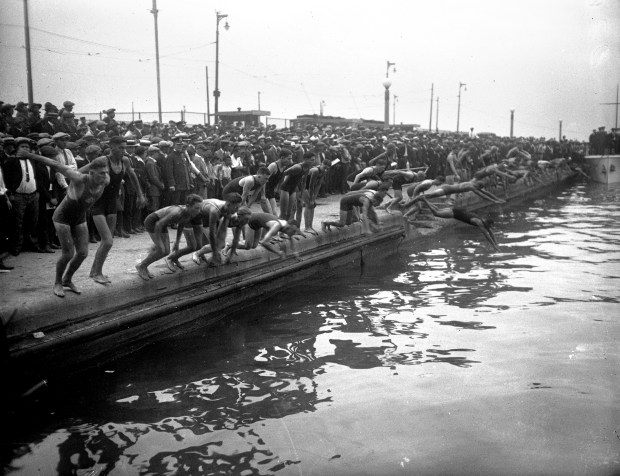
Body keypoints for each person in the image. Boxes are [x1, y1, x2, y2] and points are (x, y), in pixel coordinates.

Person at [15, 147, 110, 296]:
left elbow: (95, 169)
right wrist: (29, 154)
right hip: (63, 217)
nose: (105, 176)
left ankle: (67, 279)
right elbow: (56, 164)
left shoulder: (105, 180)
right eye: (101, 173)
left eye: (106, 172)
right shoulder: (78, 179)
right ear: (91, 173)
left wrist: (97, 164)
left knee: (83, 253)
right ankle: (57, 282)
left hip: (79, 217)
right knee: (68, 254)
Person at [82, 136, 146, 284]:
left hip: (112, 203)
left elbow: (133, 175)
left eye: (125, 148)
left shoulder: (125, 161)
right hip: (98, 203)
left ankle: (96, 271)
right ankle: (95, 272)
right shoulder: (103, 161)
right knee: (108, 241)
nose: (123, 151)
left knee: (108, 241)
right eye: (120, 148)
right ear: (111, 147)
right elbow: (80, 172)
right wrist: (88, 189)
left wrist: (140, 195)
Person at [135, 194, 203, 280]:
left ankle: (144, 266)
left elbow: (181, 225)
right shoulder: (177, 212)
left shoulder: (189, 213)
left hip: (161, 224)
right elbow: (158, 224)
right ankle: (141, 266)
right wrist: (158, 243)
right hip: (152, 222)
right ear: (188, 206)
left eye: (200, 208)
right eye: (197, 208)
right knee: (162, 250)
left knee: (165, 251)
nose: (199, 211)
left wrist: (177, 242)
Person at [166, 194, 242, 268]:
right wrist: (215, 252)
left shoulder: (228, 210)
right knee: (192, 246)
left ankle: (176, 258)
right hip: (189, 216)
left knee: (199, 245)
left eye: (238, 207)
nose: (237, 210)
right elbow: (211, 234)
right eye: (236, 207)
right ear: (229, 204)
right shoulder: (214, 211)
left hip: (198, 218)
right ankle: (170, 258)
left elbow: (223, 232)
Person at [420, 196, 500, 251]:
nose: (490, 228)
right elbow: (487, 235)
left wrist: (496, 243)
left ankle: (425, 200)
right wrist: (493, 246)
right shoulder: (479, 222)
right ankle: (424, 200)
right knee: (436, 213)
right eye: (490, 226)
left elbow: (491, 233)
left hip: (457, 211)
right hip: (455, 214)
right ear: (488, 224)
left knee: (437, 211)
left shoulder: (483, 221)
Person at [321, 184, 389, 234]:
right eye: (385, 193)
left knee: (349, 222)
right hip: (345, 200)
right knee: (342, 223)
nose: (385, 195)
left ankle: (330, 222)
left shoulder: (372, 198)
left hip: (352, 202)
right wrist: (367, 230)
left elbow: (372, 213)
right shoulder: (367, 200)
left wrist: (377, 223)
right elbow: (364, 216)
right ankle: (325, 222)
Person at [234, 212, 305, 257]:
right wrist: (278, 252)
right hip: (250, 221)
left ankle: (236, 244)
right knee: (248, 246)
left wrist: (295, 252)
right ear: (289, 227)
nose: (293, 234)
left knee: (254, 246)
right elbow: (264, 242)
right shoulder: (277, 226)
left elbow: (291, 238)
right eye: (293, 231)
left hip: (258, 224)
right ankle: (230, 246)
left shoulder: (287, 226)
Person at [410, 179, 506, 205]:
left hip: (448, 189)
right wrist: (494, 201)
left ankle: (414, 200)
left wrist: (497, 199)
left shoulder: (473, 184)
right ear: (478, 186)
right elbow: (482, 195)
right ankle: (412, 201)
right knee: (429, 196)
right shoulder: (471, 186)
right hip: (446, 189)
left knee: (429, 196)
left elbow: (486, 193)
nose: (479, 190)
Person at [302, 159, 331, 234]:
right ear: (321, 164)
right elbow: (311, 185)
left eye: (327, 168)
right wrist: (311, 198)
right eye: (324, 167)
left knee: (313, 205)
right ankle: (306, 227)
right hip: (302, 187)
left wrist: (314, 198)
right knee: (309, 204)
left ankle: (310, 226)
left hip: (308, 187)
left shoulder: (324, 172)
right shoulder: (315, 170)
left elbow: (318, 185)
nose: (325, 169)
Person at [264, 149, 293, 215]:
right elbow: (263, 180)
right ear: (282, 158)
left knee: (274, 213)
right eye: (288, 159)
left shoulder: (284, 166)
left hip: (270, 191)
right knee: (271, 214)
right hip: (264, 191)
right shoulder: (273, 166)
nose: (290, 161)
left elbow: (280, 180)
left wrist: (277, 190)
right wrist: (263, 195)